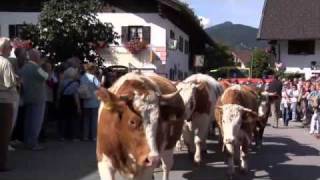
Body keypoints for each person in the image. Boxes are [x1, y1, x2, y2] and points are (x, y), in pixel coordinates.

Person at [19, 49, 48, 150]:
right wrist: (42, 66)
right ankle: (33, 143)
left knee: (28, 121)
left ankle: (27, 141)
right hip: (38, 97)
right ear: (36, 57)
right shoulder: (36, 67)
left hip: (27, 97)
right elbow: (46, 76)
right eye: (39, 56)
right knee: (36, 122)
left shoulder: (24, 67)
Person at [0, 37, 16, 171]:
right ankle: (2, 164)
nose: (11, 49)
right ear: (5, 49)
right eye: (10, 47)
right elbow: (9, 83)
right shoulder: (5, 62)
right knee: (4, 134)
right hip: (4, 101)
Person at [58, 67, 81, 141]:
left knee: (63, 118)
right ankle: (73, 136)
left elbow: (59, 92)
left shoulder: (62, 81)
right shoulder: (76, 83)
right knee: (72, 119)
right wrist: (78, 106)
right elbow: (76, 95)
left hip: (63, 100)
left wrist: (57, 101)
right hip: (71, 100)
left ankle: (62, 135)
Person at [80, 63, 100, 141]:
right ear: (92, 69)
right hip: (94, 100)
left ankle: (85, 136)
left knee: (86, 120)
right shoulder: (93, 77)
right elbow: (99, 86)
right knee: (94, 119)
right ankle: (93, 136)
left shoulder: (82, 77)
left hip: (85, 100)